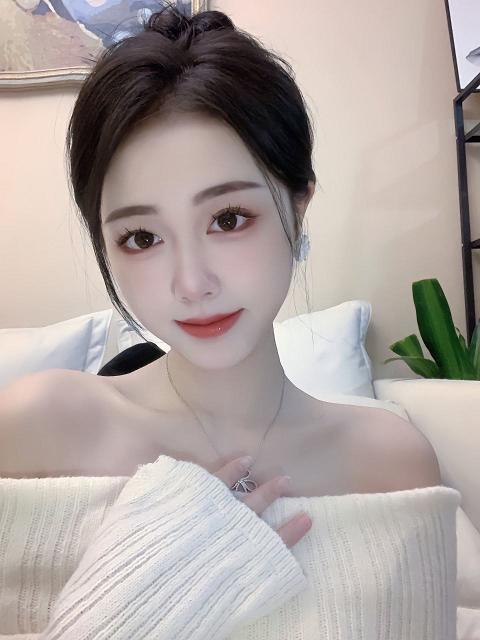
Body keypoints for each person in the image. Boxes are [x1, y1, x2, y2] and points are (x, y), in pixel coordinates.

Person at [0, 3, 461, 638]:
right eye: (141, 237)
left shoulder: (390, 464)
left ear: (298, 206)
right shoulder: (40, 430)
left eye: (228, 219)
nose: (192, 284)